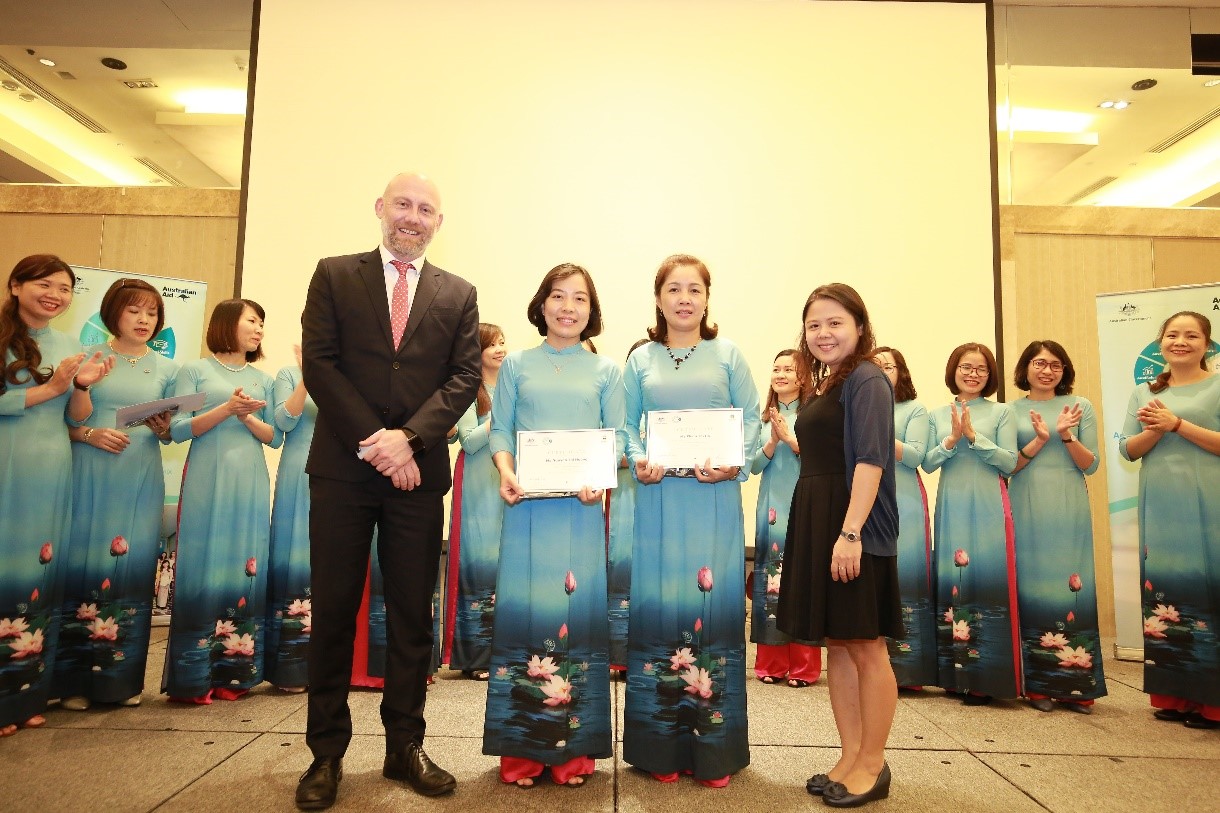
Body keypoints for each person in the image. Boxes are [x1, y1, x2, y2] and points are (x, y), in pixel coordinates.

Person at [297, 172, 480, 810]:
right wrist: (378, 439)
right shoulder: (334, 274)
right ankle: (325, 753)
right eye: (403, 204)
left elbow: (461, 378)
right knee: (334, 610)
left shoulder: (458, 292)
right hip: (345, 471)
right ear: (380, 208)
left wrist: (411, 441)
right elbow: (318, 363)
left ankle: (405, 744)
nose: (413, 216)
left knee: (410, 614)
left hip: (416, 476)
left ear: (438, 222)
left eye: (426, 208)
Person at [482, 263, 623, 788]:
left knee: (577, 615)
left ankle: (573, 754)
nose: (568, 307)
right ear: (541, 305)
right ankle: (520, 751)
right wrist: (506, 471)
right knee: (525, 616)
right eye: (559, 297)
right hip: (528, 509)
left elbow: (618, 437)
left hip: (581, 512)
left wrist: (602, 480)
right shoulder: (517, 365)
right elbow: (500, 432)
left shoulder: (606, 371)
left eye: (580, 299)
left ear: (592, 310)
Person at [622, 254, 760, 788]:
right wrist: (638, 459)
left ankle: (713, 750)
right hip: (658, 500)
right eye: (674, 289)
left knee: (712, 607)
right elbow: (627, 425)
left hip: (713, 500)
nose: (684, 298)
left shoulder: (728, 355)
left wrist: (737, 462)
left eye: (694, 289)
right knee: (659, 607)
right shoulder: (640, 361)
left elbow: (749, 419)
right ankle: (659, 746)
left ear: (707, 298)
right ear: (658, 299)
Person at [777, 284, 899, 808]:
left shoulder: (868, 378)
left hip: (854, 525)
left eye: (835, 323)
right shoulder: (831, 382)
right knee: (840, 644)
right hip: (822, 515)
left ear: (859, 326)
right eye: (814, 325)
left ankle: (873, 763)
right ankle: (850, 754)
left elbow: (871, 461)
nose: (823, 333)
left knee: (867, 646)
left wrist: (850, 534)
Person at [56, 278, 177, 711]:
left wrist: (165, 427)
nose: (144, 320)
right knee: (84, 561)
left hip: (141, 471)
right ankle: (72, 681)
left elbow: (167, 433)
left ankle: (120, 681)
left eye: (151, 313)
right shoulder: (88, 357)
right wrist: (89, 433)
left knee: (133, 568)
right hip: (92, 467)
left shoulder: (168, 369)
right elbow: (67, 418)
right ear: (113, 314)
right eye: (134, 311)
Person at [0, 254, 109, 737]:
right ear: (16, 285)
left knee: (41, 571)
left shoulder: (70, 345)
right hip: (9, 461)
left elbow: (78, 417)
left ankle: (23, 694)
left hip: (53, 467)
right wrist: (55, 386)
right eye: (45, 284)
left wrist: (80, 385)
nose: (56, 295)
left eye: (65, 289)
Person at [164, 298, 281, 703]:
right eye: (252, 320)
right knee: (204, 561)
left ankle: (236, 673)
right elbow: (178, 430)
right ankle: (194, 677)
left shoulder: (263, 379)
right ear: (227, 323)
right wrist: (226, 408)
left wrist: (246, 417)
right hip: (206, 475)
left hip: (249, 478)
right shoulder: (196, 371)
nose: (259, 328)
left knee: (244, 565)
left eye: (262, 323)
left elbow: (275, 437)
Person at [1119, 311, 1220, 729]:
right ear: (1160, 342)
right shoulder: (1144, 391)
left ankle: (1211, 702)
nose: (1181, 341)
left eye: (1191, 335)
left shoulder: (1217, 385)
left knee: (1209, 591)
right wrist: (1159, 430)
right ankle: (1173, 694)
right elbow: (1128, 450)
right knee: (1165, 593)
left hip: (1208, 504)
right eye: (1172, 335)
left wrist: (1178, 423)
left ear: (1207, 344)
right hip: (1160, 504)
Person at [1009, 340, 1106, 714]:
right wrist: (1039, 440)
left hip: (1069, 506)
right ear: (1025, 368)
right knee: (1031, 588)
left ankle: (1077, 685)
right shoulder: (1010, 411)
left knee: (1072, 588)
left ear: (1064, 371)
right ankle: (1037, 686)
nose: (1047, 370)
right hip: (1026, 504)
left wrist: (1066, 435)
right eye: (1039, 363)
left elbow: (1091, 464)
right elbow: (1008, 467)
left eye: (1055, 365)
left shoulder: (1081, 407)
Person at [922, 343, 1019, 705]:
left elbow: (1009, 462)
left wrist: (975, 437)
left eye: (980, 368)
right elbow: (929, 464)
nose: (973, 374)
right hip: (952, 502)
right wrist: (951, 438)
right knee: (953, 584)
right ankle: (954, 674)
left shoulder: (1002, 412)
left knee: (987, 582)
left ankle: (986, 677)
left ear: (990, 374)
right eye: (966, 367)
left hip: (990, 503)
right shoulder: (936, 414)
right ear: (954, 370)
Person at [751, 349, 822, 688]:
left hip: (806, 501)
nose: (780, 375)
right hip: (771, 507)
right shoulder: (763, 418)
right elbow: (750, 466)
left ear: (803, 376)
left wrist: (793, 441)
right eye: (775, 368)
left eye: (788, 369)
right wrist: (771, 442)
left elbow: (824, 457)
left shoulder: (815, 415)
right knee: (771, 580)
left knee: (804, 578)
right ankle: (771, 663)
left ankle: (805, 667)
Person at [443, 323, 507, 681]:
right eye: (492, 344)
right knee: (479, 562)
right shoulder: (469, 389)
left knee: (505, 562)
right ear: (477, 351)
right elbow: (467, 440)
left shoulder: (512, 386)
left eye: (502, 342)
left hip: (509, 480)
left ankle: (503, 649)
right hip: (479, 481)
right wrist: (500, 416)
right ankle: (476, 655)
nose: (500, 349)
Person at [871, 346, 936, 690]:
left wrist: (881, 429)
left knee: (906, 577)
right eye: (875, 366)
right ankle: (875, 667)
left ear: (901, 372)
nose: (882, 371)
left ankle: (911, 672)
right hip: (867, 499)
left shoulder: (915, 409)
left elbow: (915, 455)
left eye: (889, 366)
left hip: (905, 500)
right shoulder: (860, 404)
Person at [264, 344, 316, 693]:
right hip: (301, 472)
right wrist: (308, 378)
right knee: (296, 557)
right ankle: (292, 667)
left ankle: (329, 665)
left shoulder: (351, 370)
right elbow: (282, 422)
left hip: (344, 474)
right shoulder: (288, 373)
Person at [607, 338, 650, 672]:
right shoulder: (616, 403)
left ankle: (652, 654)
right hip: (624, 496)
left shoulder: (669, 404)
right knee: (620, 567)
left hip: (663, 494)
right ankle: (619, 657)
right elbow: (604, 450)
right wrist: (635, 457)